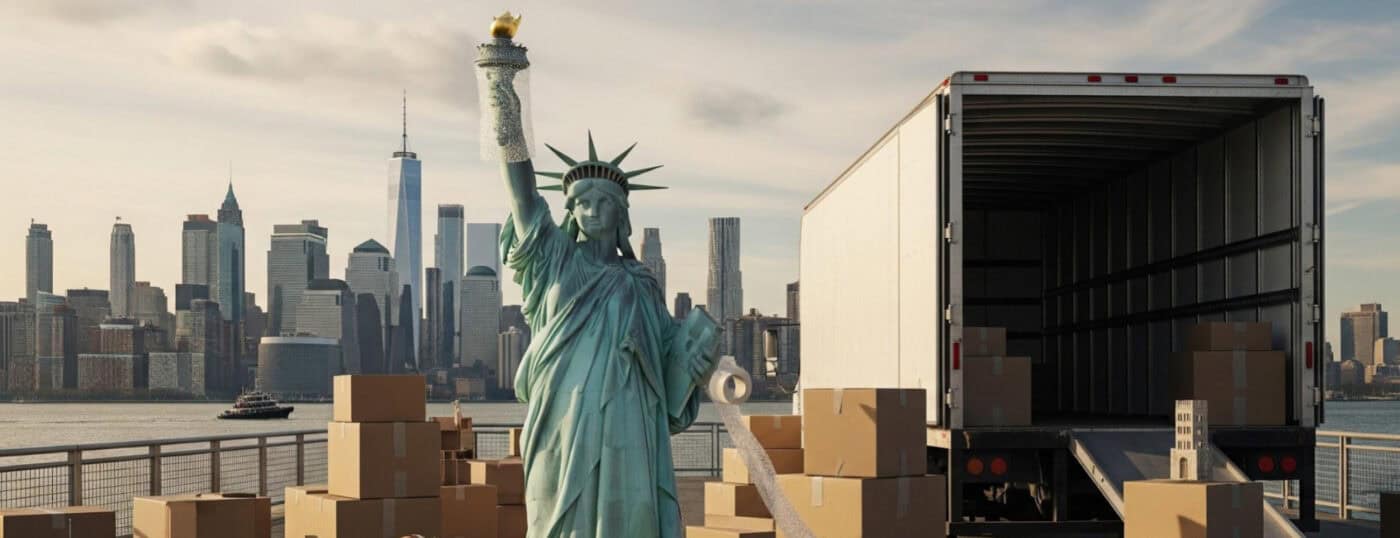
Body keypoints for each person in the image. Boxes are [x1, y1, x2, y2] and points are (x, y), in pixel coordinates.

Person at [486, 66, 722, 537]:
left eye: (604, 202)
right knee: (556, 517)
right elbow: (523, 192)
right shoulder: (553, 260)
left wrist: (697, 351)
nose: (592, 211)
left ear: (622, 214)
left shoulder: (639, 281)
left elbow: (667, 357)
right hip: (562, 415)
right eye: (582, 202)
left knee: (630, 519)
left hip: (627, 420)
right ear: (569, 211)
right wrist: (504, 100)